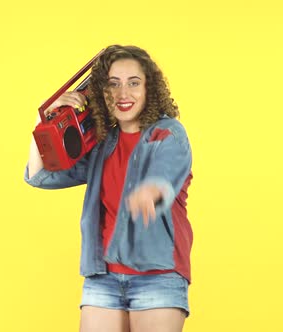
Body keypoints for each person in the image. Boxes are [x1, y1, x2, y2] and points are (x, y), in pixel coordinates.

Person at [25, 45, 193, 332]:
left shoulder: (168, 132)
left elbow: (165, 173)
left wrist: (149, 191)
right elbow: (41, 176)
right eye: (113, 84)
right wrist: (44, 120)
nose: (122, 93)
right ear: (102, 92)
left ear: (149, 88)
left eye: (134, 83)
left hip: (158, 274)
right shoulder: (101, 143)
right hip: (101, 275)